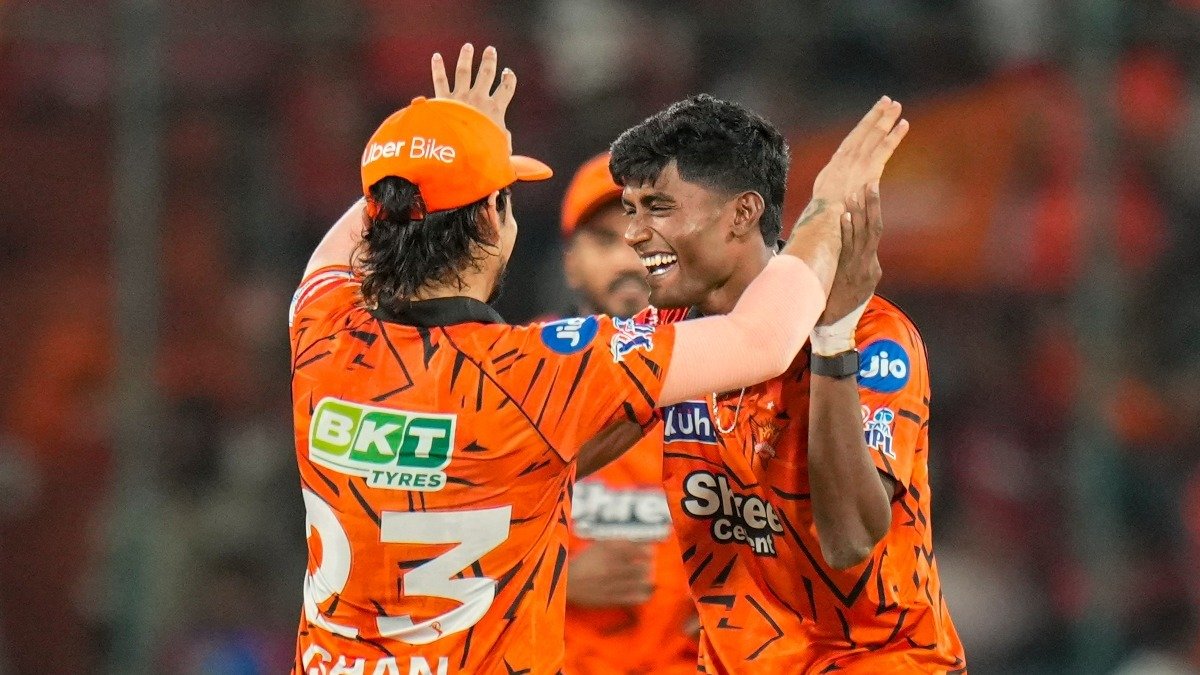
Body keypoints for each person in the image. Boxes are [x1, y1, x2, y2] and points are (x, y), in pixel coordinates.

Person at [286, 43, 885, 674]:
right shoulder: (539, 373)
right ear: (493, 218)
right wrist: (826, 211)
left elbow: (338, 253)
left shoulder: (321, 338)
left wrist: (439, 150)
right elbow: (762, 340)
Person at [603, 94, 965, 672]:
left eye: (658, 207)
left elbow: (849, 540)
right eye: (631, 210)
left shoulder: (874, 337)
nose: (634, 233)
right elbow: (556, 450)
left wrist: (832, 341)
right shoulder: (664, 335)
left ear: (742, 214)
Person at [557, 153, 698, 674]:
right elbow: (440, 539)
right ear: (570, 263)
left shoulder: (730, 370)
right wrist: (557, 580)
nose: (628, 260)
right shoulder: (516, 372)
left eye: (646, 236)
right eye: (604, 241)